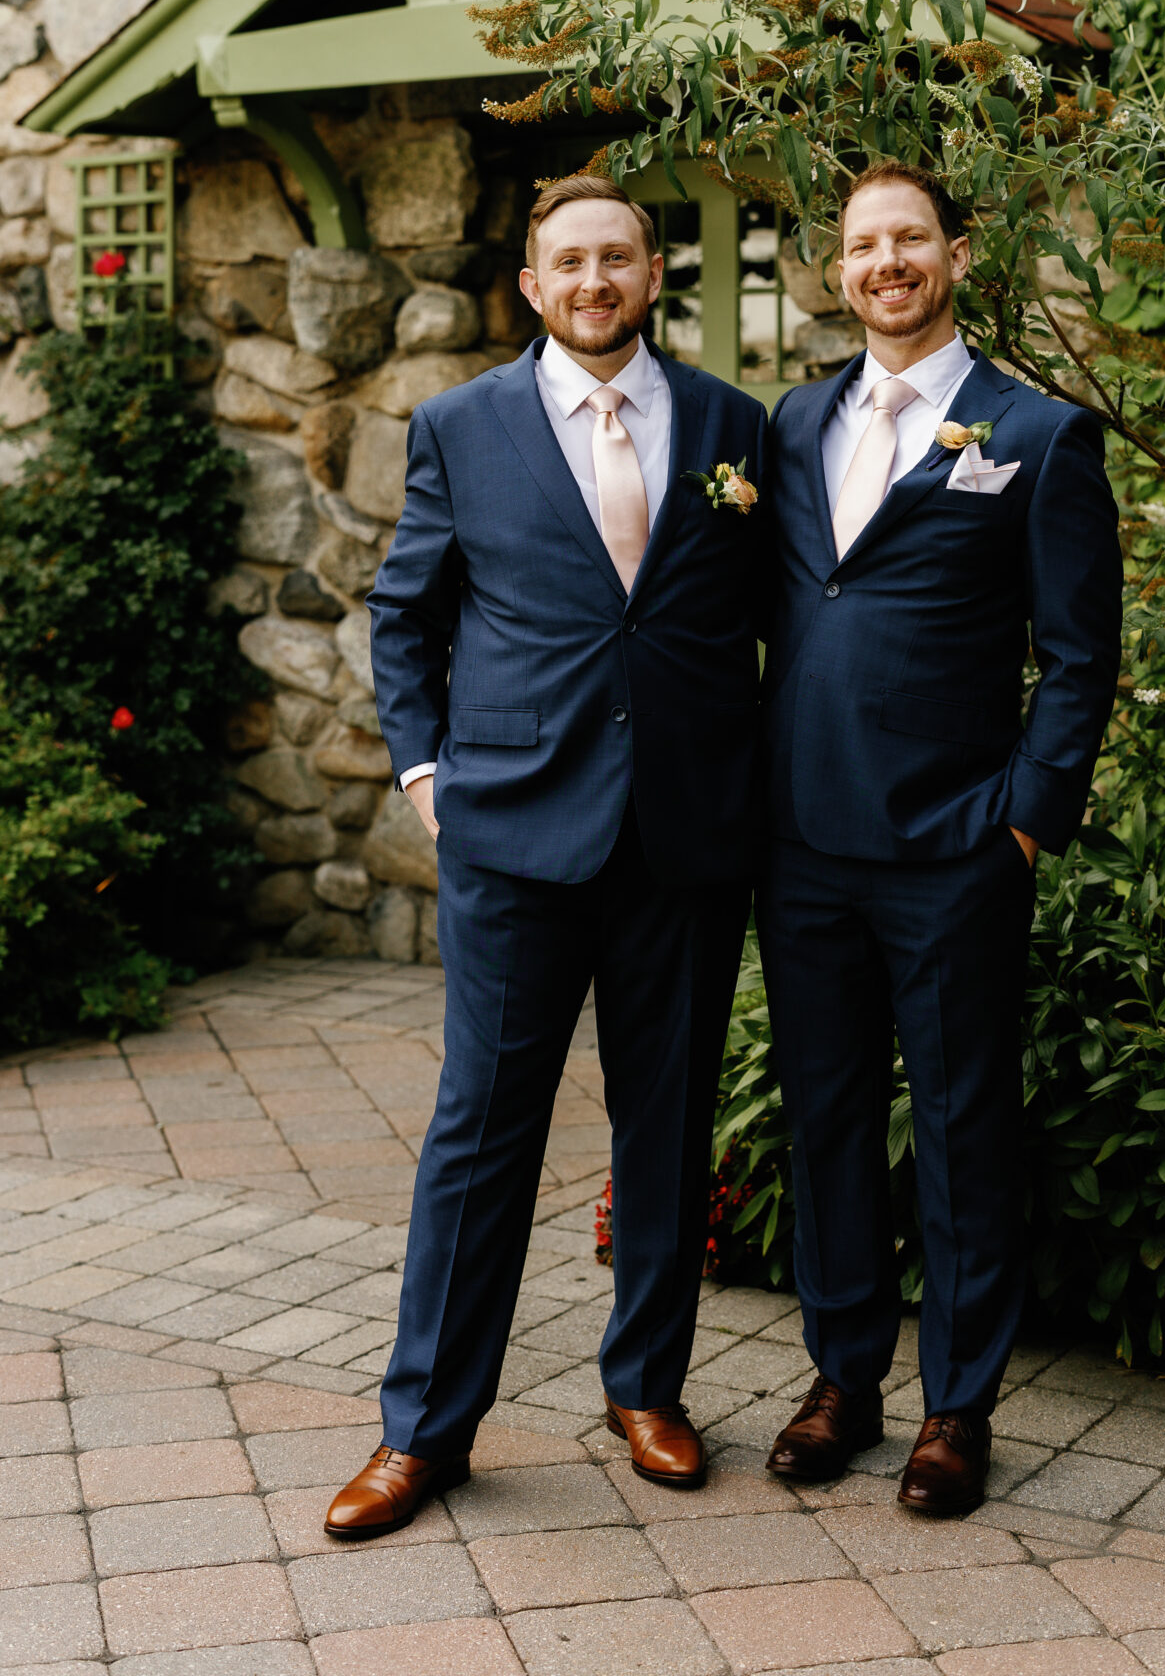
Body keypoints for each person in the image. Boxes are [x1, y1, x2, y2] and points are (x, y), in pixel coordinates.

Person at [325, 173, 767, 1535]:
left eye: (616, 258)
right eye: (568, 261)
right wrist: (425, 774)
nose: (593, 281)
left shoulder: (731, 426)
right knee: (479, 1134)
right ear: (532, 285)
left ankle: (649, 1389)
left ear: (652, 275)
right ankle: (424, 1430)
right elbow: (407, 613)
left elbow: (767, 614)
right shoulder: (460, 425)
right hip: (514, 835)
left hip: (684, 839)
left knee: (666, 1127)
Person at [759, 161, 1122, 1516]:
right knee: (828, 1118)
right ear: (839, 268)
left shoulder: (1036, 434)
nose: (886, 263)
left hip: (954, 846)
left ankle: (957, 1407)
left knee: (963, 1129)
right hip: (802, 843)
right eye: (863, 244)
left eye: (909, 238)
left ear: (956, 256)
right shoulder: (794, 424)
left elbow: (1079, 656)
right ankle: (842, 1379)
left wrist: (1022, 824)